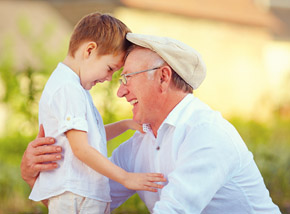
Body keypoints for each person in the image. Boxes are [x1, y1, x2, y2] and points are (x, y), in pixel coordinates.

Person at [21, 33, 281, 214]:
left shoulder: (205, 134)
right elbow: (86, 202)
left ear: (163, 77)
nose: (120, 92)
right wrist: (33, 176)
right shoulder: (142, 143)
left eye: (127, 79)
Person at [28, 14, 166, 214]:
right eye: (110, 69)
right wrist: (126, 178)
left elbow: (91, 136)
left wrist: (126, 124)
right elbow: (81, 149)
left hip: (81, 194)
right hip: (76, 195)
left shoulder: (74, 87)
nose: (109, 79)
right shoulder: (68, 88)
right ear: (89, 50)